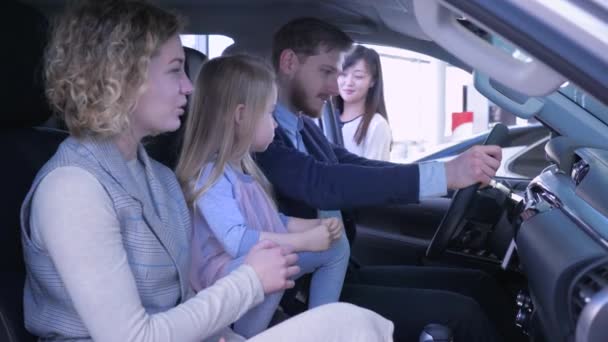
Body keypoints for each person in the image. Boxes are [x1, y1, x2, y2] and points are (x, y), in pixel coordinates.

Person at [19, 2, 394, 341]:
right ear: (121, 79)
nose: (188, 86)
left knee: (353, 324)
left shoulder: (159, 178)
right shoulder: (72, 189)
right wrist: (250, 280)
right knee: (352, 327)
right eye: (175, 70)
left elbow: (183, 301)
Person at [254, 17, 514, 342]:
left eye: (338, 73)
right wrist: (445, 174)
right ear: (289, 62)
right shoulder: (259, 137)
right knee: (462, 314)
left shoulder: (303, 126)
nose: (336, 87)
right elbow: (322, 183)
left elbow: (354, 165)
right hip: (304, 296)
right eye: (326, 72)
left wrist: (450, 170)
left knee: (479, 284)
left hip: (341, 273)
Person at [176, 55, 350, 338]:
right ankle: (249, 335)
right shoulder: (210, 175)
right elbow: (238, 239)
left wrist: (310, 226)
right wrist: (302, 241)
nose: (276, 125)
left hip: (249, 261)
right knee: (273, 261)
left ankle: (322, 326)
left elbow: (268, 219)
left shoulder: (242, 168)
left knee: (336, 247)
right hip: (221, 277)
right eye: (269, 113)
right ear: (241, 116)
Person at [336, 45, 391, 161]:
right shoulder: (324, 119)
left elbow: (375, 176)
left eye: (358, 76)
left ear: (372, 81)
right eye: (343, 74)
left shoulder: (376, 125)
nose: (349, 82)